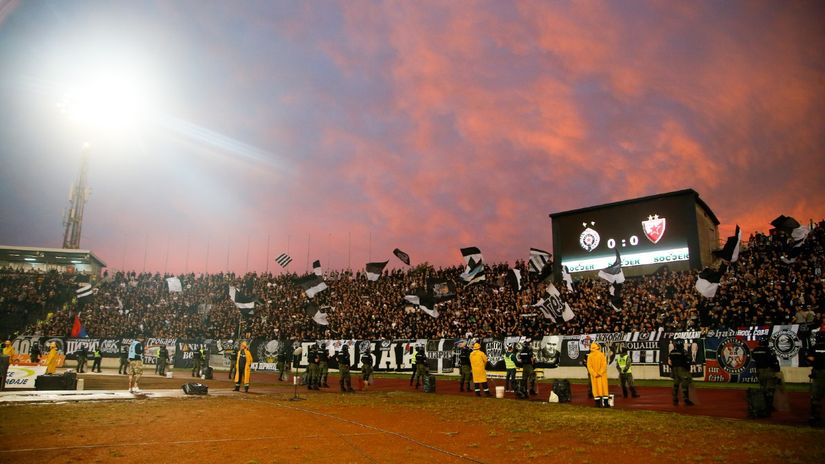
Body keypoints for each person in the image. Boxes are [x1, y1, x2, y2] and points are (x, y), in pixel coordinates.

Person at [751, 338, 780, 412]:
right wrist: (777, 371)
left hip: (759, 371)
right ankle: (769, 406)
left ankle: (763, 405)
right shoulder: (769, 350)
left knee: (762, 388)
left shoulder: (755, 350)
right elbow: (774, 361)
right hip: (769, 370)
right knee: (770, 389)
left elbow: (754, 358)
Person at [807, 331, 825, 427]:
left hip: (818, 373)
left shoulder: (814, 348)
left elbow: (810, 359)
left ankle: (815, 417)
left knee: (816, 397)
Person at [667, 341, 693, 406]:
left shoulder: (672, 352)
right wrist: (688, 368)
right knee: (685, 384)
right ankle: (686, 399)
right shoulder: (683, 351)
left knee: (676, 384)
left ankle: (675, 399)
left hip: (674, 369)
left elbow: (669, 361)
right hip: (682, 369)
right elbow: (688, 360)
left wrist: (672, 367)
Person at [587, 342, 609, 407]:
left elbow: (589, 366)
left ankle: (597, 404)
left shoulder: (590, 356)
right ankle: (606, 404)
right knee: (604, 389)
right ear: (597, 347)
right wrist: (600, 373)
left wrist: (594, 374)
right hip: (602, 376)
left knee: (595, 389)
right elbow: (604, 365)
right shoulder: (602, 354)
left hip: (594, 377)